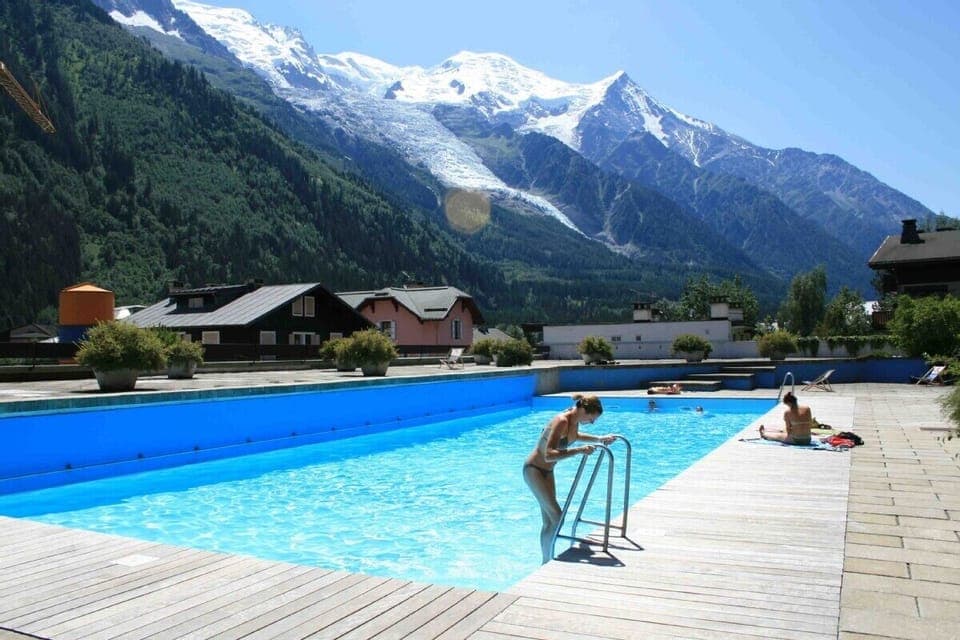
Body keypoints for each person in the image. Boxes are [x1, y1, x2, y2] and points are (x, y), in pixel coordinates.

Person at [523, 393, 616, 564]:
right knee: (557, 517)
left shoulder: (573, 421)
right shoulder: (562, 420)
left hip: (548, 472)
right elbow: (549, 454)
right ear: (584, 411)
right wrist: (579, 451)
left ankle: (546, 559)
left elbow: (575, 437)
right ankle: (546, 561)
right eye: (592, 418)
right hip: (534, 470)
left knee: (550, 520)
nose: (592, 422)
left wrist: (599, 439)